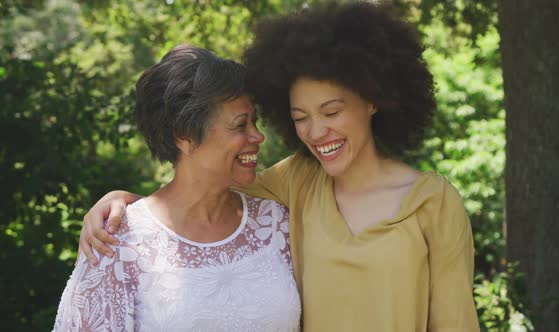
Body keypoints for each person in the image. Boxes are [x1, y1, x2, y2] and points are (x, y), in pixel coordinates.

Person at [79, 2, 480, 331]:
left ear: (373, 99)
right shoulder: (296, 182)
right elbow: (199, 191)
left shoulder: (433, 202)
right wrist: (125, 202)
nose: (317, 131)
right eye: (300, 116)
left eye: (332, 111)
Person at [53, 45, 301, 331]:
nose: (258, 136)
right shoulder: (116, 242)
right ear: (184, 136)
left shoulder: (277, 223)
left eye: (254, 122)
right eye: (240, 125)